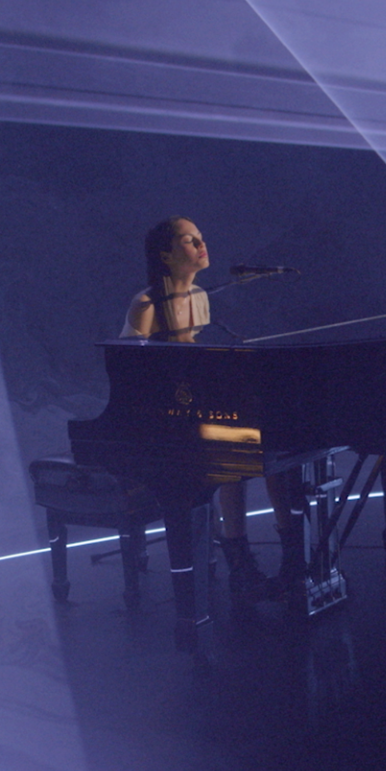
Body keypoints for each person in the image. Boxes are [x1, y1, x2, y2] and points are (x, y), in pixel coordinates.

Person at [127, 216, 268, 589]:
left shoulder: (201, 298)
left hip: (191, 409)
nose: (201, 245)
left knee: (244, 446)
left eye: (201, 238)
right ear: (166, 255)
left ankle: (239, 556)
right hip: (158, 418)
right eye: (189, 240)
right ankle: (228, 561)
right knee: (233, 451)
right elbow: (132, 375)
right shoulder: (146, 305)